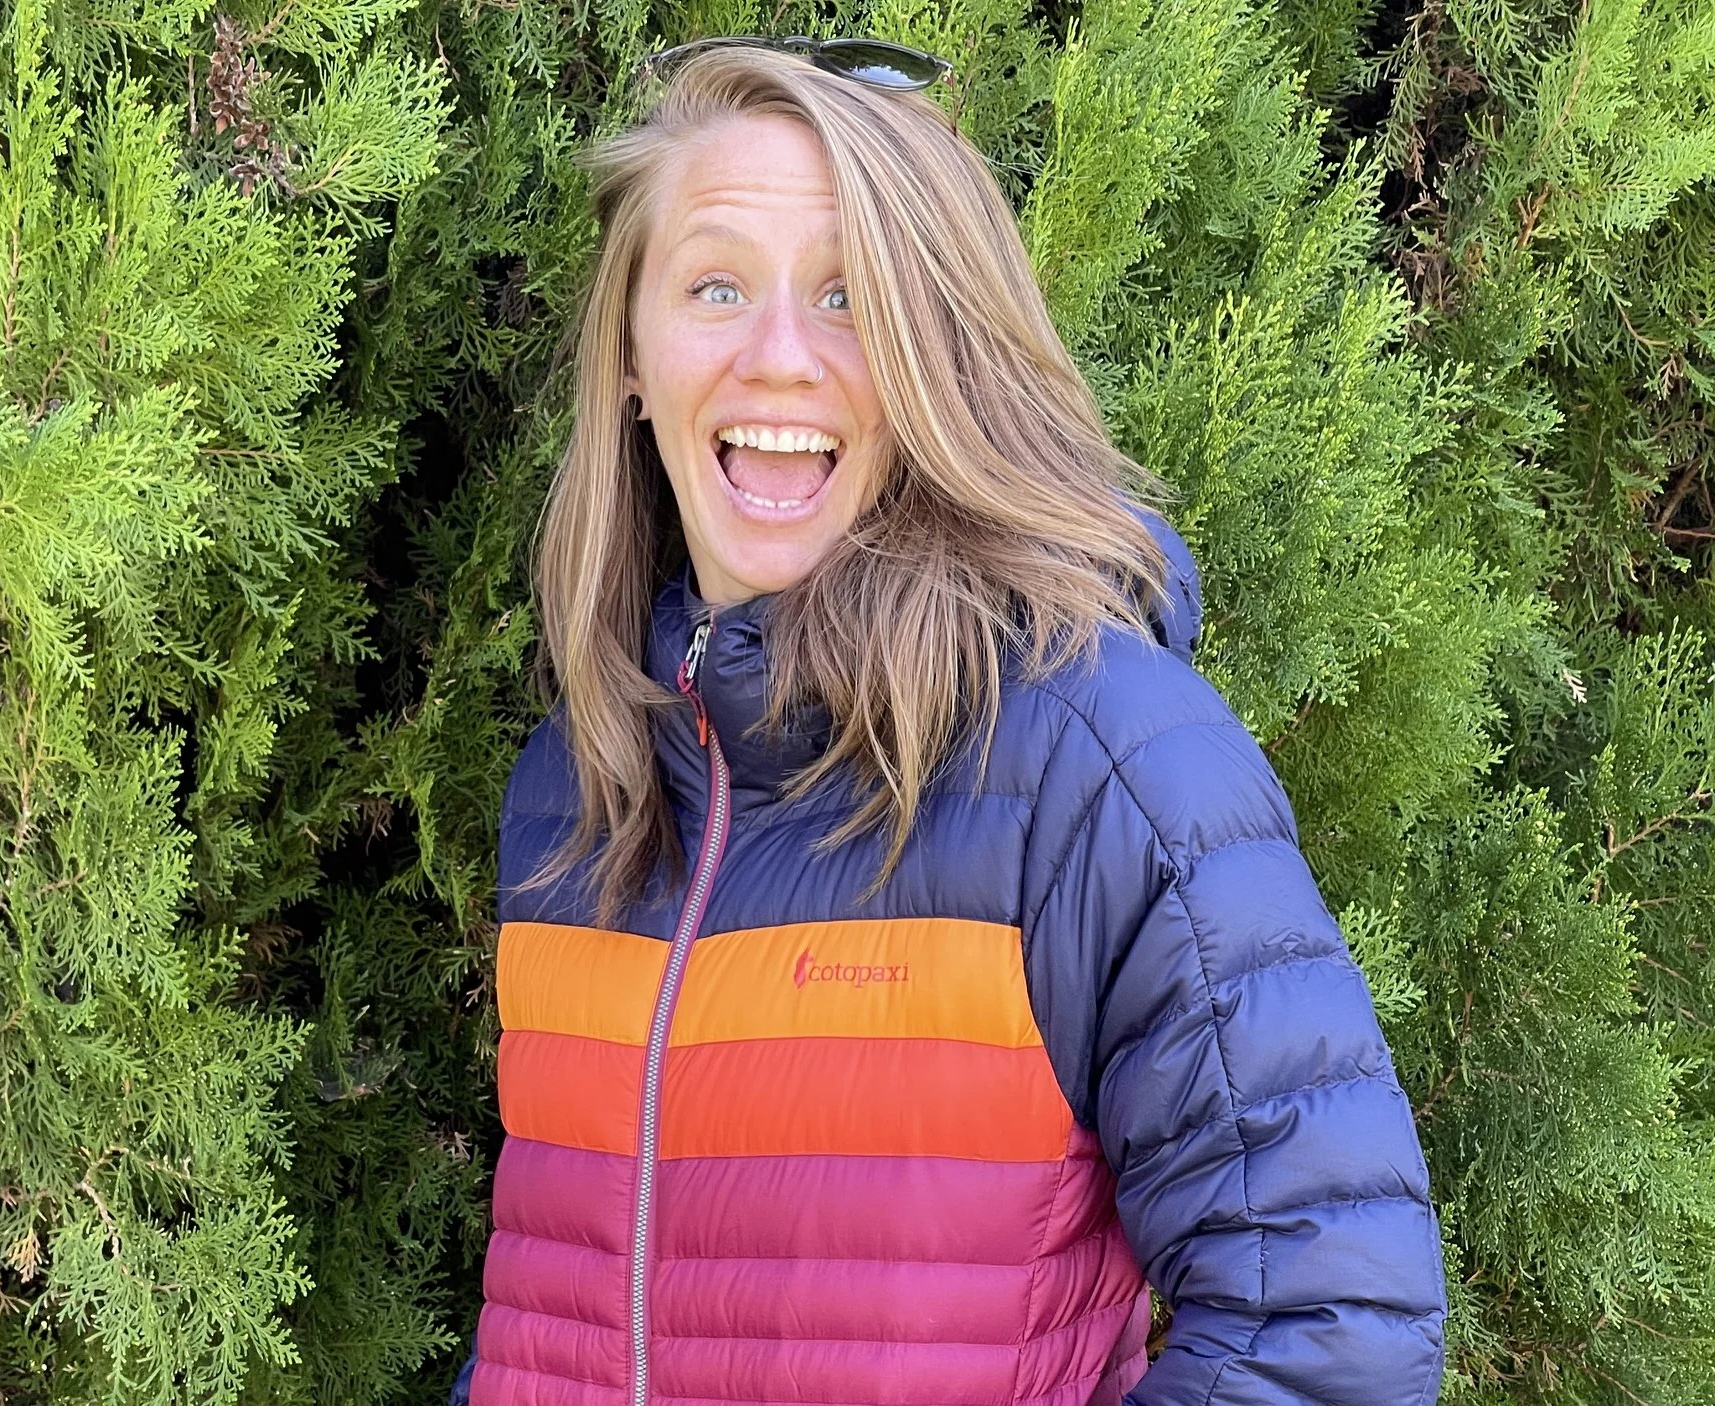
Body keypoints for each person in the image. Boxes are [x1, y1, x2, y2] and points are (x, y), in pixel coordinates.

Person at [446, 36, 1448, 1406]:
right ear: (630, 353)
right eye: (716, 286)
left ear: (942, 353)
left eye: (852, 297)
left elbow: (1331, 1329)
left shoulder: (1099, 762)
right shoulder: (580, 784)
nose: (779, 357)